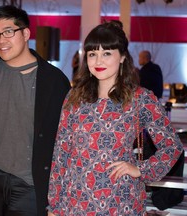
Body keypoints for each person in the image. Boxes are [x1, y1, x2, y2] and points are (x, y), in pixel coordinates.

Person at [47, 20, 183, 215]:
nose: (98, 61)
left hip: (120, 199)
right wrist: (54, 206)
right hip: (74, 201)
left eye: (107, 53)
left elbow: (172, 146)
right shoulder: (75, 97)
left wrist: (140, 169)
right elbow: (61, 154)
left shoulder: (140, 98)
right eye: (92, 54)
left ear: (122, 57)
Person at [0, 5, 71, 216]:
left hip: (30, 185)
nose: (1, 41)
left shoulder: (54, 81)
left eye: (8, 32)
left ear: (26, 33)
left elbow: (67, 141)